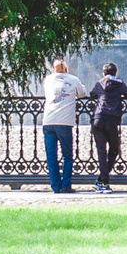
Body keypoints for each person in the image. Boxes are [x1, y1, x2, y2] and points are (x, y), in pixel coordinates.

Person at [41, 59, 88, 193]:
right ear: (66, 69)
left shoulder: (48, 80)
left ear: (54, 70)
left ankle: (55, 186)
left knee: (51, 156)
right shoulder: (73, 79)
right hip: (65, 122)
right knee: (67, 155)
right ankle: (66, 184)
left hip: (49, 120)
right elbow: (82, 93)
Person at [88, 61, 127, 191]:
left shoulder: (99, 83)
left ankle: (102, 180)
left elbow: (92, 93)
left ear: (103, 73)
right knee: (114, 149)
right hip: (112, 118)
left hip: (98, 118)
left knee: (101, 151)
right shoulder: (119, 84)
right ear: (116, 72)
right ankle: (103, 180)